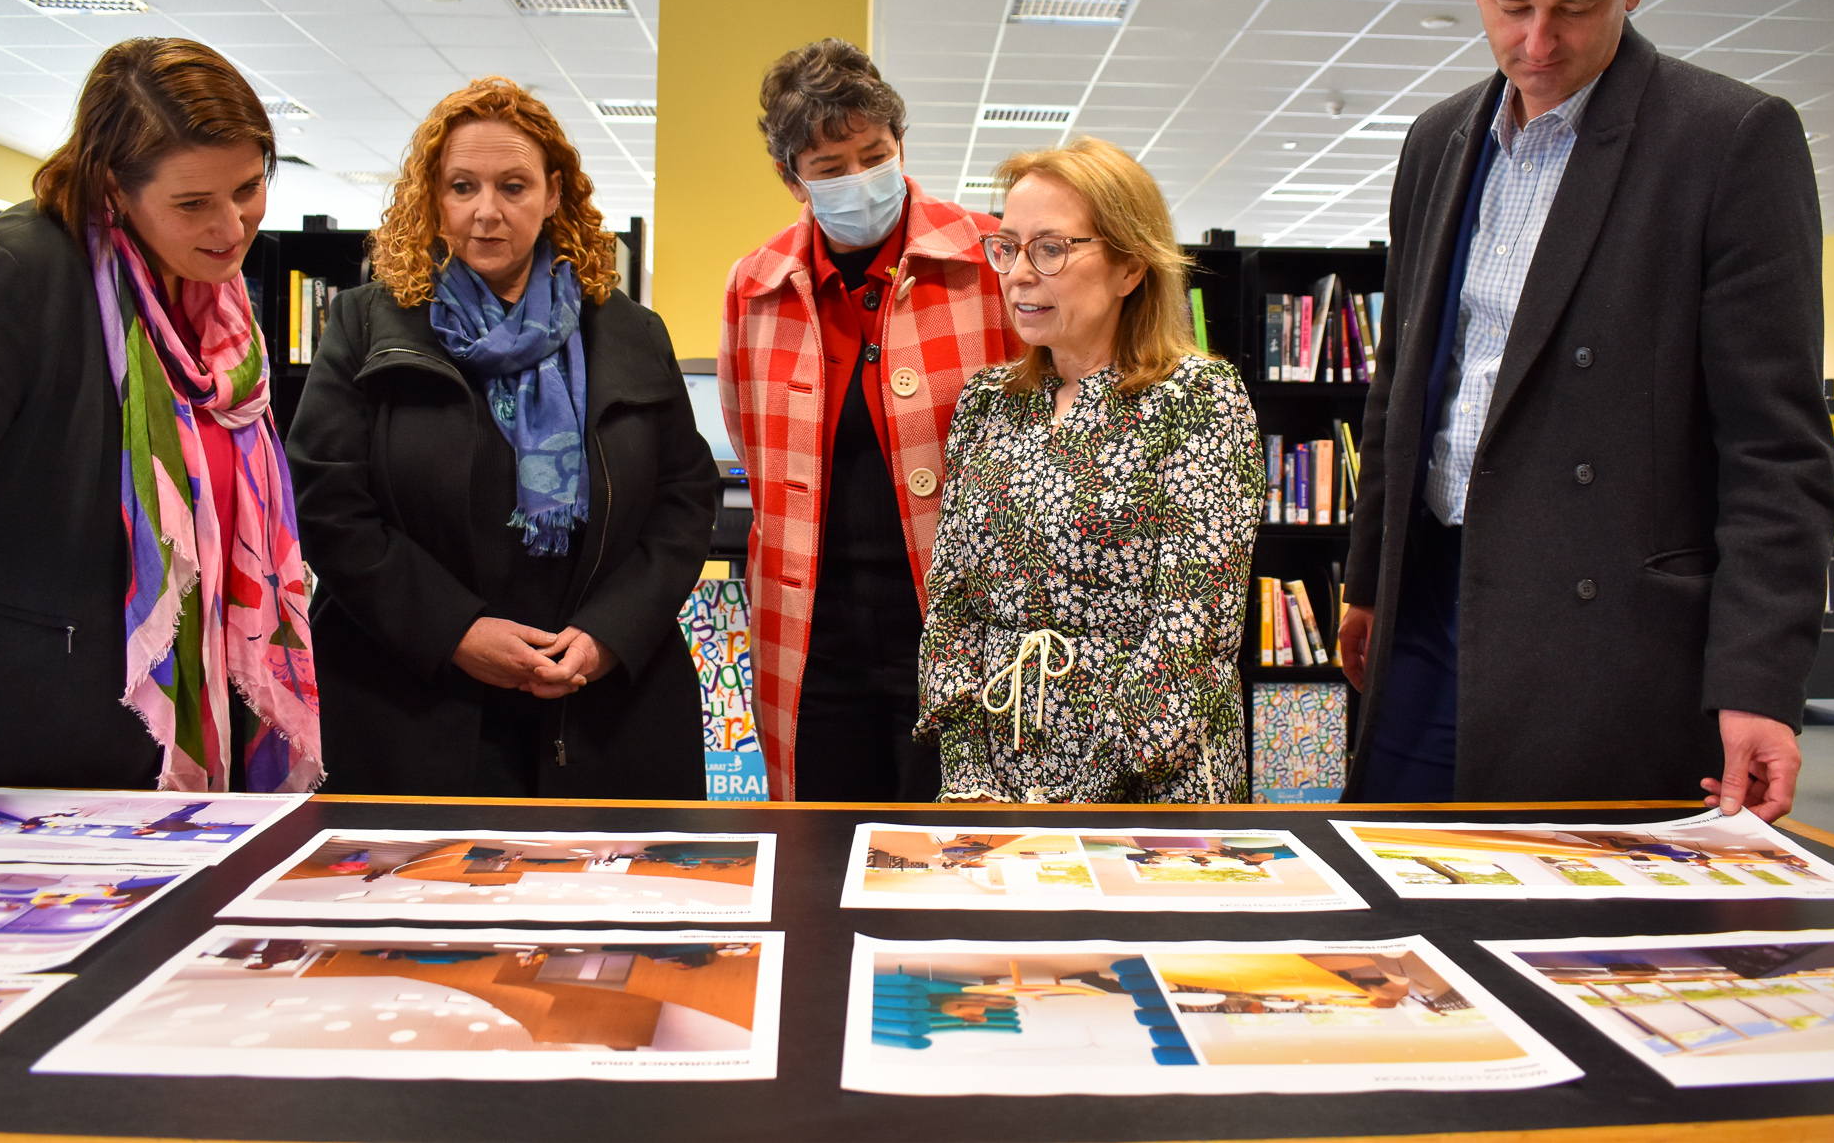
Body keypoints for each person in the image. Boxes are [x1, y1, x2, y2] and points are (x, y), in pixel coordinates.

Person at [1337, 0, 1834, 818]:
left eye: (1573, 8)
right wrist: (1367, 577)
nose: (1534, 44)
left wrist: (1757, 680)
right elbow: (1406, 382)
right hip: (1429, 605)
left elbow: (1774, 449)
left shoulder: (1728, 142)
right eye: (1509, 7)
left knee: (1558, 925)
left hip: (1605, 646)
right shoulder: (1435, 141)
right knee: (1400, 903)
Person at [0, 37, 320, 792]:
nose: (232, 228)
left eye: (247, 188)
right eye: (192, 203)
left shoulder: (216, 306)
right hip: (19, 743)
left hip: (169, 751)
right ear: (112, 186)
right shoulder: (12, 274)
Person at [287, 76, 715, 797]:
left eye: (513, 186)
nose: (487, 212)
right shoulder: (368, 324)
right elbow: (327, 503)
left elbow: (683, 499)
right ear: (434, 196)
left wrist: (610, 634)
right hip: (412, 708)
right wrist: (455, 631)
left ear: (553, 195)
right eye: (463, 186)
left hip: (603, 715)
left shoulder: (630, 333)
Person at [719, 40, 1021, 802]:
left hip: (962, 622)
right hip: (815, 635)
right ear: (792, 179)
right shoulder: (753, 287)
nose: (859, 178)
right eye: (830, 168)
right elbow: (751, 445)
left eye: (874, 153)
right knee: (824, 849)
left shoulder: (992, 259)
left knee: (957, 846)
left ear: (900, 145)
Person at [917, 138, 1261, 804]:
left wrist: (1076, 796)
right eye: (1007, 245)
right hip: (998, 777)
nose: (1019, 273)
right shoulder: (988, 403)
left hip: (1151, 781)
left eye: (1051, 249)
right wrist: (968, 773)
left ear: (1130, 267)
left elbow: (1190, 630)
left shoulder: (1200, 400)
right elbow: (952, 604)